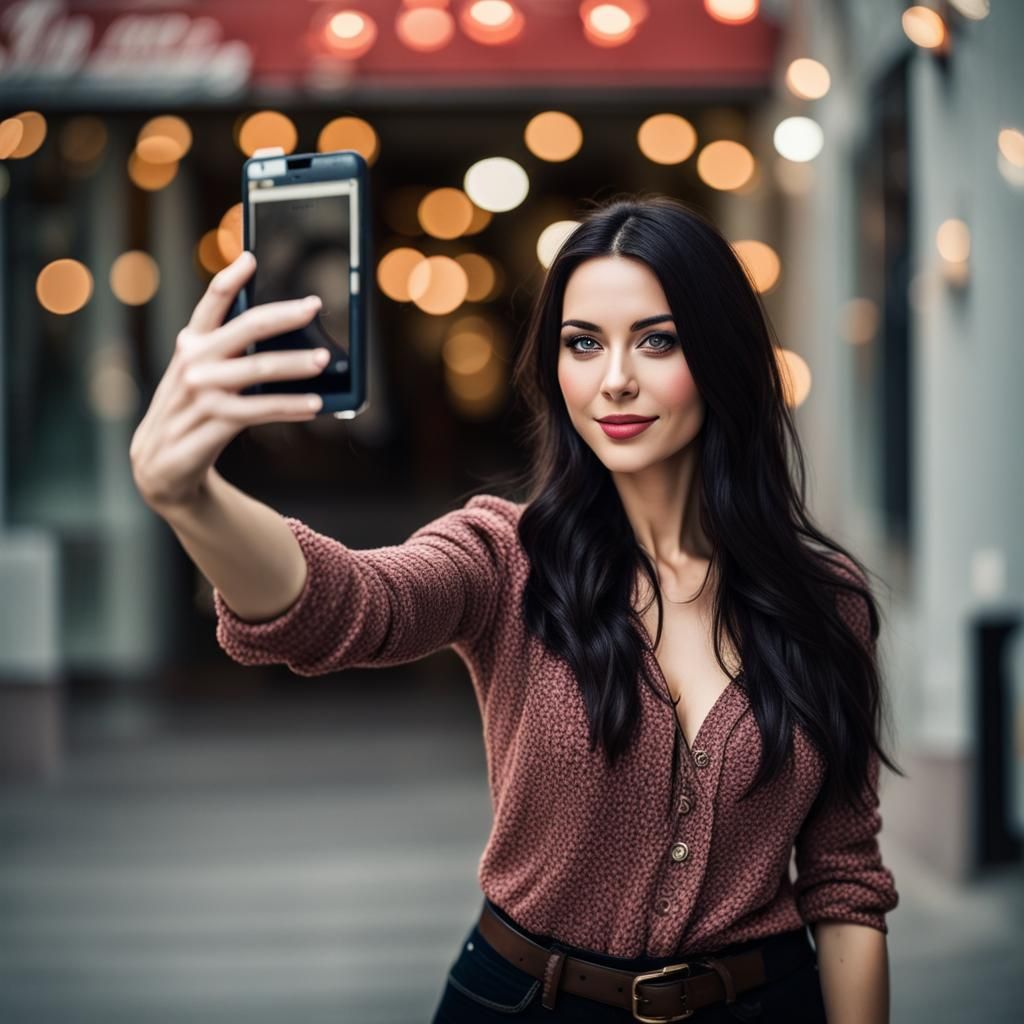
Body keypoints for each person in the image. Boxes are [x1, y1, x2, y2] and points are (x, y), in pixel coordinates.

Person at [130, 194, 901, 1023]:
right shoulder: (505, 558)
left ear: (722, 355)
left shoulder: (825, 604)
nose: (615, 380)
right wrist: (193, 498)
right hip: (528, 1001)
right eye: (583, 344)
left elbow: (845, 880)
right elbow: (348, 603)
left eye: (657, 340)